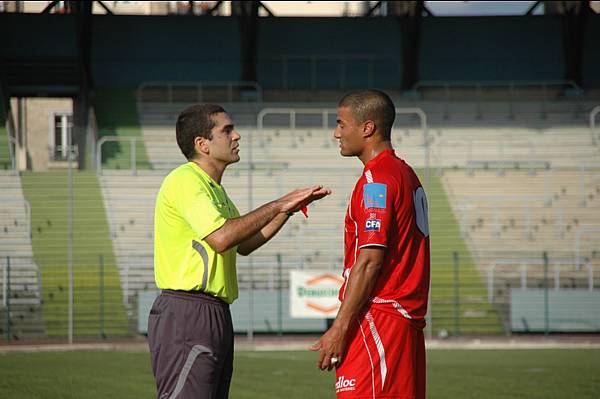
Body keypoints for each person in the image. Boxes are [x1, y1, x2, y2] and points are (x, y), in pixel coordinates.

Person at [148, 104, 330, 399]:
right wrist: (276, 204)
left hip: (214, 312)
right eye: (227, 130)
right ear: (202, 144)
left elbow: (244, 243)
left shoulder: (215, 190)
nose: (237, 136)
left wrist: (288, 211)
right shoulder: (184, 180)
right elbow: (222, 238)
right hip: (188, 312)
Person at [310, 90, 430, 399]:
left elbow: (370, 261)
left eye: (341, 123)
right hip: (403, 324)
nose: (336, 133)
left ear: (367, 128)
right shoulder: (405, 174)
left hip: (380, 319)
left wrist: (339, 327)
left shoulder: (376, 181)